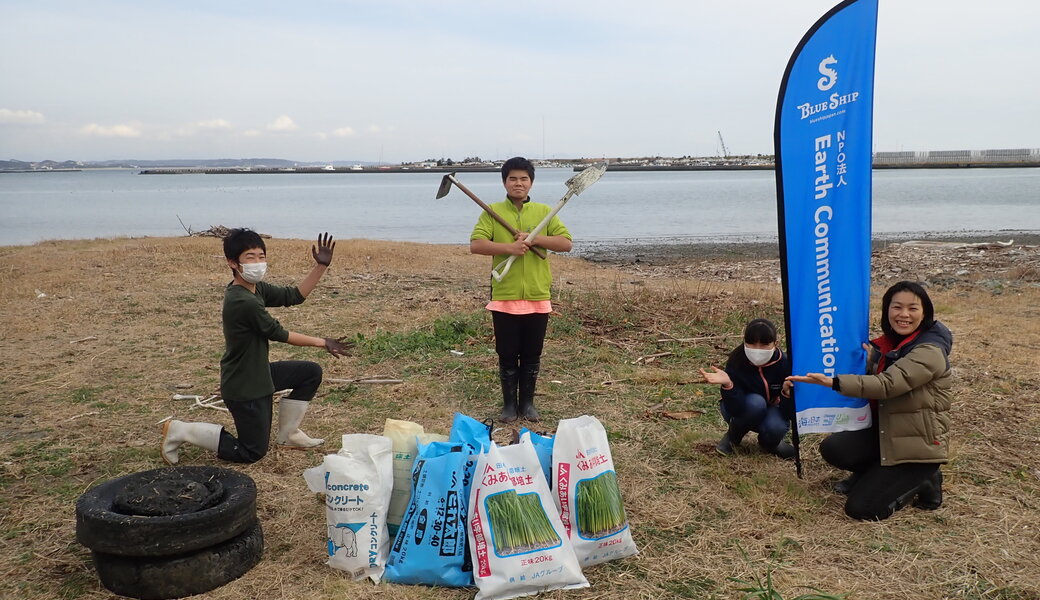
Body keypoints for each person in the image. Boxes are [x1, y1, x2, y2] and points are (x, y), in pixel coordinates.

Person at [161, 229, 351, 464]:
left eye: (261, 255)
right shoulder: (242, 301)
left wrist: (321, 266)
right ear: (233, 262)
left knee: (310, 373)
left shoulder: (255, 289)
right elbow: (278, 333)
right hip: (244, 387)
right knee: (252, 452)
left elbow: (294, 296)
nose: (258, 262)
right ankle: (181, 430)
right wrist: (323, 342)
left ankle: (289, 435)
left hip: (259, 374)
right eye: (250, 257)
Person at [787, 280, 952, 521]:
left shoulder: (930, 351)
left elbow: (888, 385)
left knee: (862, 509)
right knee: (834, 449)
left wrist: (832, 382)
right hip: (888, 432)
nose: (904, 314)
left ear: (925, 312)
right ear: (887, 310)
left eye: (912, 308)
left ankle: (924, 480)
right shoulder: (889, 345)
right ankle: (875, 474)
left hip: (918, 447)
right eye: (896, 307)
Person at [470, 157, 572, 423]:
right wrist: (510, 248)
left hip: (538, 295)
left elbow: (565, 243)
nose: (518, 183)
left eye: (524, 179)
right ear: (505, 182)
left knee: (531, 353)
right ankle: (508, 406)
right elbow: (477, 244)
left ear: (531, 182)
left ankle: (527, 405)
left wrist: (534, 238)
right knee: (506, 353)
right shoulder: (492, 211)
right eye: (513, 178)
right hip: (505, 295)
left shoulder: (544, 212)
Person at [701, 318, 795, 459]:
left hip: (771, 408)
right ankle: (733, 437)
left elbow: (788, 413)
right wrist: (728, 385)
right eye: (751, 343)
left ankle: (770, 444)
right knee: (756, 403)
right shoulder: (737, 360)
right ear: (744, 341)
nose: (757, 350)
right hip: (742, 408)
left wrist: (787, 394)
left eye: (764, 344)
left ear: (775, 343)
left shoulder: (786, 364)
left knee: (777, 426)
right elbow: (734, 409)